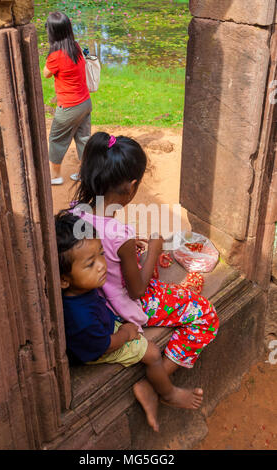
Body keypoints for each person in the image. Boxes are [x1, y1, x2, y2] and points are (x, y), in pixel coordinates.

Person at [70, 131, 219, 426]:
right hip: (124, 307)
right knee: (205, 315)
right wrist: (153, 247)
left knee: (175, 289)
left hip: (99, 296)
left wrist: (134, 250)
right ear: (132, 186)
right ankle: (156, 386)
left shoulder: (77, 214)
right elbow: (137, 289)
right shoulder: (120, 235)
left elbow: (109, 252)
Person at [55, 210, 204, 432]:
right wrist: (126, 334)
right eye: (89, 264)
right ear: (63, 280)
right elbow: (102, 346)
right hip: (102, 344)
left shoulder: (80, 290)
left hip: (102, 327)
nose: (102, 265)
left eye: (101, 254)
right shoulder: (81, 318)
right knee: (153, 353)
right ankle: (167, 393)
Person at [43, 11, 91, 185]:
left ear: (52, 32)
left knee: (56, 139)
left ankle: (55, 177)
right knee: (83, 139)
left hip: (69, 107)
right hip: (85, 103)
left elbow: (46, 74)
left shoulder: (55, 55)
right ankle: (84, 174)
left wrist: (52, 50)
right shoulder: (76, 47)